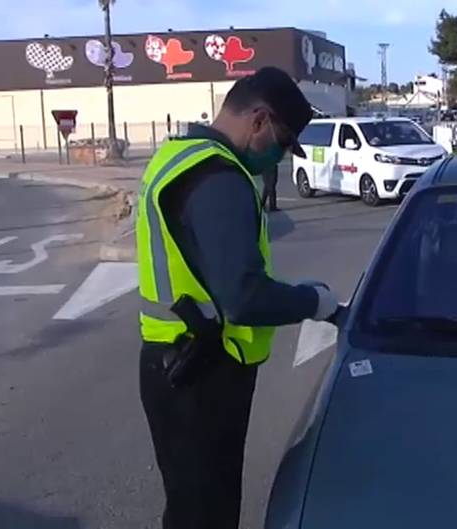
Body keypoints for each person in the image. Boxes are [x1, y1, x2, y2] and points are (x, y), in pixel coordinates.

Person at [135, 67, 339, 529]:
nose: (282, 157)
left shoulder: (179, 156)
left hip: (173, 362)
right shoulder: (218, 178)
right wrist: (313, 302)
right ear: (259, 121)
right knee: (207, 514)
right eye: (284, 142)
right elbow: (243, 298)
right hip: (200, 374)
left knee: (190, 509)